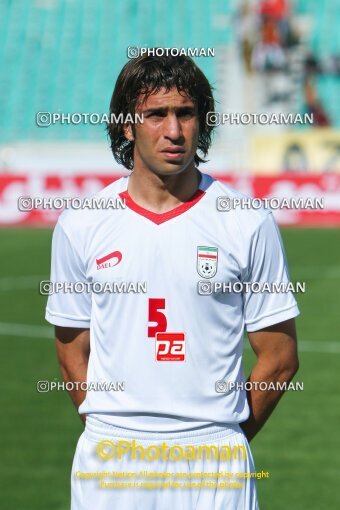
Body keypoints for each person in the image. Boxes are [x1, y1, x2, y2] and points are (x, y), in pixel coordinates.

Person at [46, 54, 299, 510]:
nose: (174, 131)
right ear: (127, 126)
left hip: (213, 459)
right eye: (155, 114)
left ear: (202, 123)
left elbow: (280, 359)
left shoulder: (246, 222)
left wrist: (224, 437)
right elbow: (70, 351)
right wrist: (117, 431)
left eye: (186, 113)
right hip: (112, 459)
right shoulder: (81, 224)